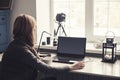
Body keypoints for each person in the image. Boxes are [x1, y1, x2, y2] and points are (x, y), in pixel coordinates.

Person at [0, 14, 85, 80]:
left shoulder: (13, 45)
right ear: (28, 32)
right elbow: (47, 70)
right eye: (33, 29)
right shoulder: (23, 51)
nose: (34, 32)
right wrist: (72, 67)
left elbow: (35, 61)